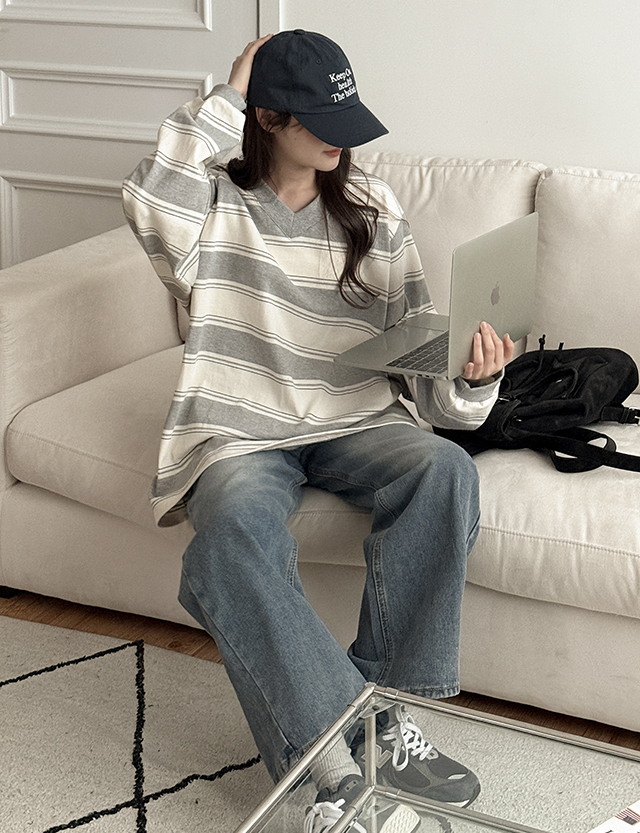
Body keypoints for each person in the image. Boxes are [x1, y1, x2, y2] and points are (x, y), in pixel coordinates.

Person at [123, 29, 513, 833]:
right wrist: (228, 92)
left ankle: (385, 719)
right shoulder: (211, 205)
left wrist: (474, 380)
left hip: (355, 414)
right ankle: (337, 771)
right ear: (268, 116)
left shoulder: (374, 207)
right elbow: (148, 198)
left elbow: (420, 366)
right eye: (322, 121)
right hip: (239, 427)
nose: (343, 138)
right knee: (230, 532)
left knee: (445, 469)